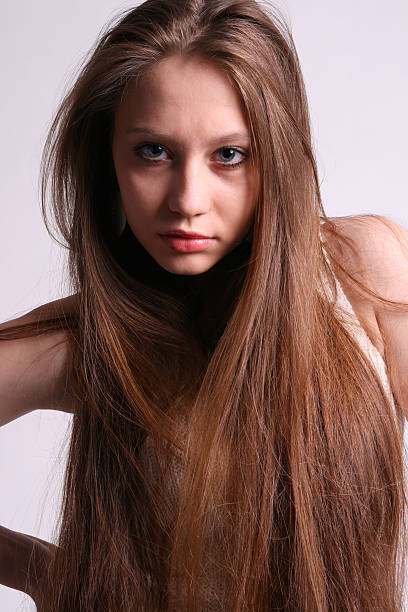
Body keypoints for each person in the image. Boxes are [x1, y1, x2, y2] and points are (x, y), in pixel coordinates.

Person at [1, 0, 407, 609]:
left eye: (229, 156)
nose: (188, 200)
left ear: (276, 157)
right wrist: (42, 571)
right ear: (108, 160)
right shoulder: (93, 347)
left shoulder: (363, 270)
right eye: (153, 152)